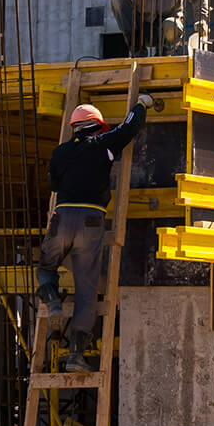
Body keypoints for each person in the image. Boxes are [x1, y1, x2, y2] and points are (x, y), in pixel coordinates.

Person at [35, 93, 155, 370]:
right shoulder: (104, 144)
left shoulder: (60, 152)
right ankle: (75, 355)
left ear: (74, 127)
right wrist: (142, 103)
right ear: (97, 125)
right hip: (92, 220)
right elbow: (129, 127)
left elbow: (53, 184)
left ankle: (52, 300)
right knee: (86, 290)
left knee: (45, 267)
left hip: (62, 217)